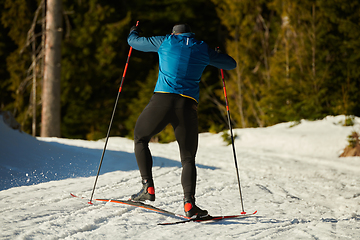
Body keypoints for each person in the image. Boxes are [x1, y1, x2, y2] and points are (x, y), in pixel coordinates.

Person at [127, 23, 237, 218]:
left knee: (140, 138)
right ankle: (189, 205)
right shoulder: (202, 47)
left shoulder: (165, 41)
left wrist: (134, 31)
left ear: (173, 33)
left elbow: (133, 42)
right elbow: (230, 64)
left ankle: (148, 187)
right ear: (190, 34)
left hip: (162, 101)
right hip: (187, 106)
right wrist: (217, 53)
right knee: (188, 158)